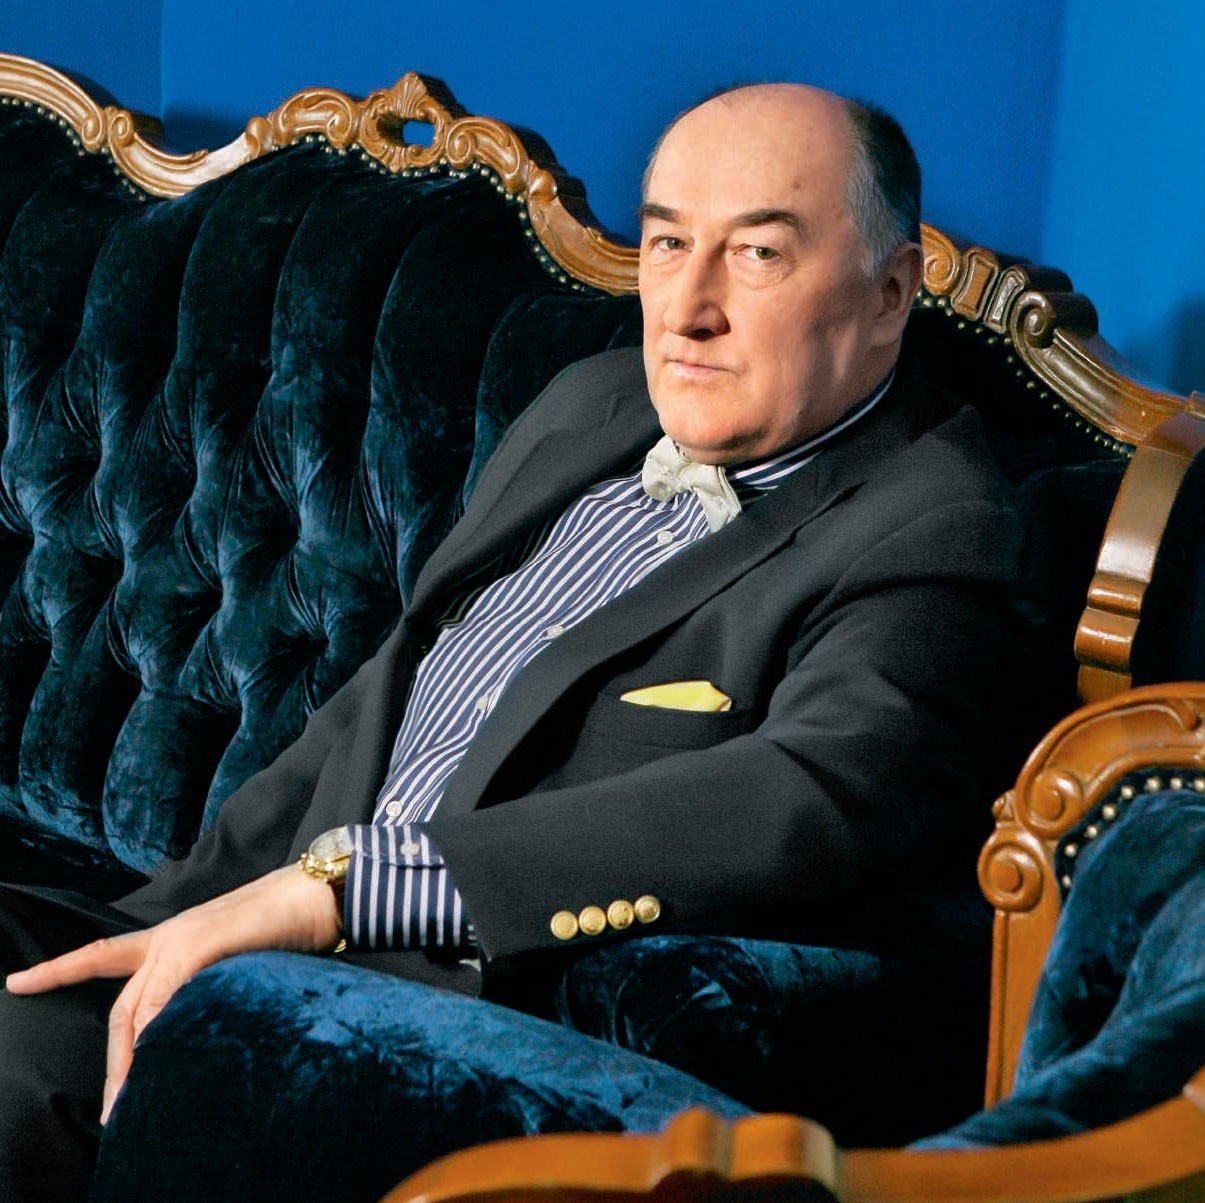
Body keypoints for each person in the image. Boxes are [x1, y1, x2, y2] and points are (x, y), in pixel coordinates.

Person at [1, 82, 1052, 1196]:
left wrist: (342, 892)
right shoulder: (589, 405)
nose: (687, 308)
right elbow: (384, 697)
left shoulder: (940, 521)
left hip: (440, 1025)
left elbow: (806, 792)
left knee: (16, 1072)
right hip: (267, 943)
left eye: (756, 255)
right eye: (667, 243)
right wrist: (177, 912)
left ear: (887, 293)